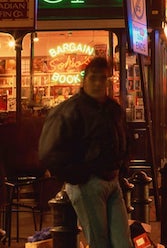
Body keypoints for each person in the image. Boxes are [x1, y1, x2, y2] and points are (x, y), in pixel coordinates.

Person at [38, 56, 132, 248]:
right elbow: (49, 151)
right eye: (93, 77)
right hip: (88, 184)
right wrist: (78, 175)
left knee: (123, 243)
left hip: (111, 181)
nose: (98, 83)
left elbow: (124, 140)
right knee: (99, 243)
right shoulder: (70, 110)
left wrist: (121, 168)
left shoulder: (112, 109)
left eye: (102, 78)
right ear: (84, 79)